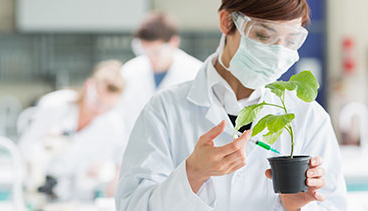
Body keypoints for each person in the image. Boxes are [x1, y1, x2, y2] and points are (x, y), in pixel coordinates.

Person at [116, 0, 348, 210]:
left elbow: (334, 205)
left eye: (289, 41)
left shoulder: (309, 117)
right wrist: (192, 174)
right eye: (263, 36)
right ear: (227, 22)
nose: (277, 53)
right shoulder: (164, 110)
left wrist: (296, 207)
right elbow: (132, 206)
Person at [19, 60, 126, 200]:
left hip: (81, 198)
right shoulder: (54, 106)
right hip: (38, 193)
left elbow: (121, 162)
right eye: (98, 102)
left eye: (108, 108)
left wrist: (110, 178)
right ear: (89, 86)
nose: (100, 111)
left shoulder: (113, 123)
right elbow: (25, 147)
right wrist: (43, 151)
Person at [117, 12, 202, 137]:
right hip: (136, 147)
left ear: (174, 42)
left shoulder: (195, 73)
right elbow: (120, 118)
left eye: (156, 52)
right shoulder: (129, 72)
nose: (151, 58)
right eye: (145, 51)